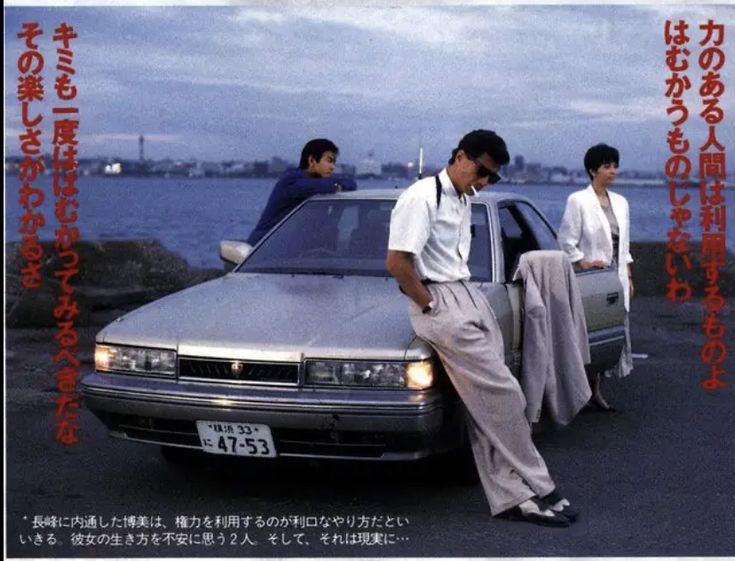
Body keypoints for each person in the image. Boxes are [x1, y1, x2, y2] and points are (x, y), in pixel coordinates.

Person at [386, 129, 577, 527]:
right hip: (442, 302)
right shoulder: (421, 197)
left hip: (467, 294)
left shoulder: (461, 198)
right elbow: (397, 263)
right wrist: (431, 304)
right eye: (482, 171)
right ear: (460, 157)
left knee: (486, 404)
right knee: (506, 394)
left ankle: (513, 497)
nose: (485, 182)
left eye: (493, 177)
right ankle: (541, 486)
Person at [557, 143, 634, 411]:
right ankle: (578, 391)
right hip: (591, 277)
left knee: (611, 330)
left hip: (617, 276)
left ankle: (596, 389)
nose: (613, 171)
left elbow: (623, 245)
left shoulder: (621, 203)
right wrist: (583, 262)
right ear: (592, 170)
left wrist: (629, 275)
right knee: (588, 332)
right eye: (606, 166)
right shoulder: (578, 200)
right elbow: (566, 240)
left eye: (615, 165)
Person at [247, 138, 356, 246]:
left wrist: (336, 185)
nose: (333, 167)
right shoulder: (291, 180)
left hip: (284, 245)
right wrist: (336, 186)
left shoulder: (316, 180)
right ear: (312, 160)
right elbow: (322, 186)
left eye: (334, 162)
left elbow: (351, 183)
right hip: (261, 247)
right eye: (329, 161)